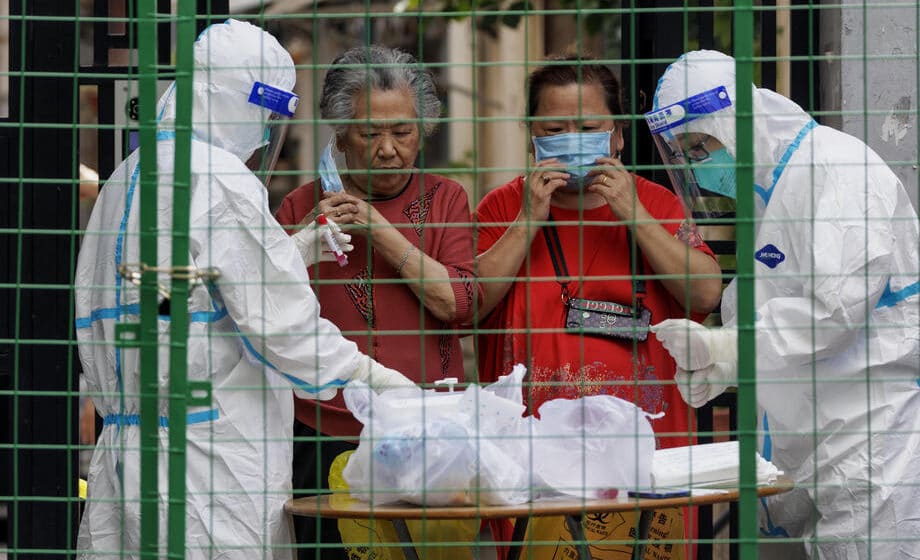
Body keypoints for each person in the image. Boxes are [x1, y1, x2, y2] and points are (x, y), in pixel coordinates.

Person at [74, 20, 415, 560]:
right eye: (265, 114)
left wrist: (291, 252)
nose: (264, 134)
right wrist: (372, 378)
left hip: (129, 456)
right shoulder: (219, 179)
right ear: (242, 100)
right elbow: (284, 329)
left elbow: (169, 293)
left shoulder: (130, 176)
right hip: (211, 465)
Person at [647, 49, 920, 559]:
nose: (698, 164)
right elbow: (762, 307)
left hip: (873, 442)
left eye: (700, 145)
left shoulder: (835, 170)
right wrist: (720, 366)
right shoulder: (769, 193)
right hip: (818, 448)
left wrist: (726, 349)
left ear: (732, 121)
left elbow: (832, 310)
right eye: (684, 152)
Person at [473, 54, 723, 559]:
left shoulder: (656, 202)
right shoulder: (503, 207)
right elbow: (467, 304)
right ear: (531, 135)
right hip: (538, 467)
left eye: (588, 127)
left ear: (618, 136)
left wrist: (633, 215)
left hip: (648, 459)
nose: (572, 139)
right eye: (555, 128)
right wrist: (529, 221)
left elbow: (706, 293)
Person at [274, 44, 481, 559]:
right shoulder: (301, 205)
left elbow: (456, 303)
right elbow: (265, 306)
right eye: (370, 134)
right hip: (322, 431)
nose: (388, 148)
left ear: (423, 130)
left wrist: (379, 229)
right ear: (340, 135)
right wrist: (300, 240)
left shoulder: (446, 199)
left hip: (426, 431)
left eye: (403, 132)